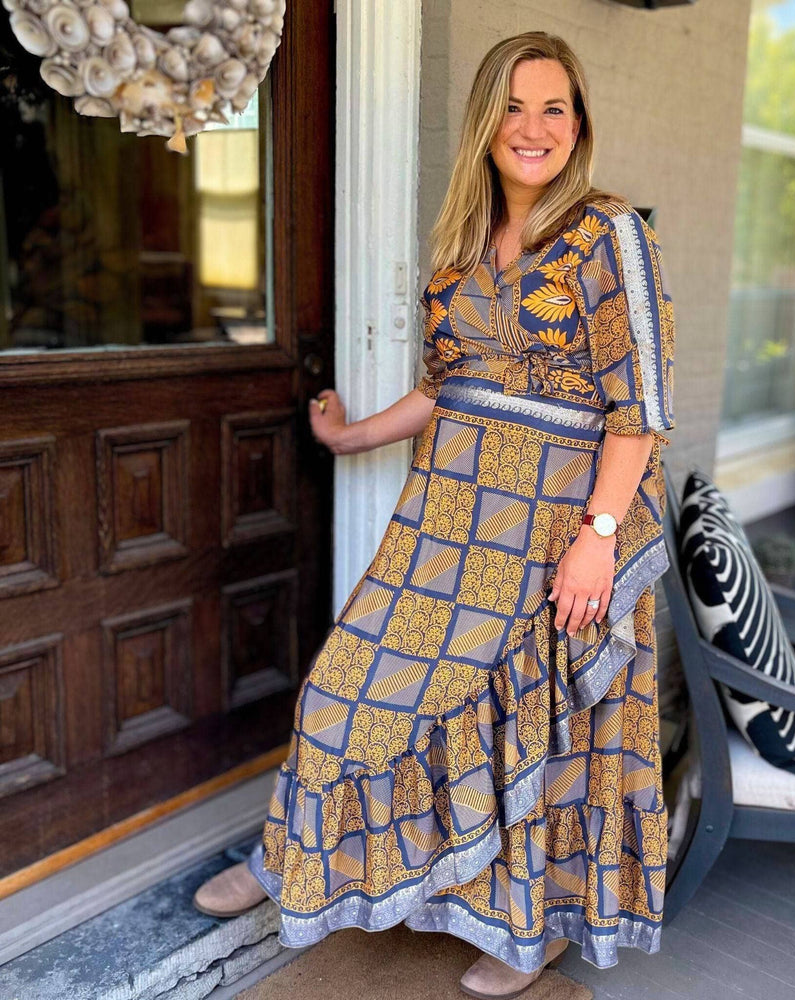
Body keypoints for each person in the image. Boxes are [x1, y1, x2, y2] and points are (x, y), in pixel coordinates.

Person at [192, 30, 676, 999]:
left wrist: (598, 538)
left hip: (551, 530)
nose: (533, 128)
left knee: (530, 729)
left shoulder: (606, 231)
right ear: (483, 124)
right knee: (344, 687)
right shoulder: (461, 246)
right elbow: (447, 389)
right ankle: (292, 856)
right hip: (443, 526)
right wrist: (355, 435)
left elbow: (641, 409)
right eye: (513, 106)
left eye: (554, 107)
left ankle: (525, 926)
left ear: (578, 125)